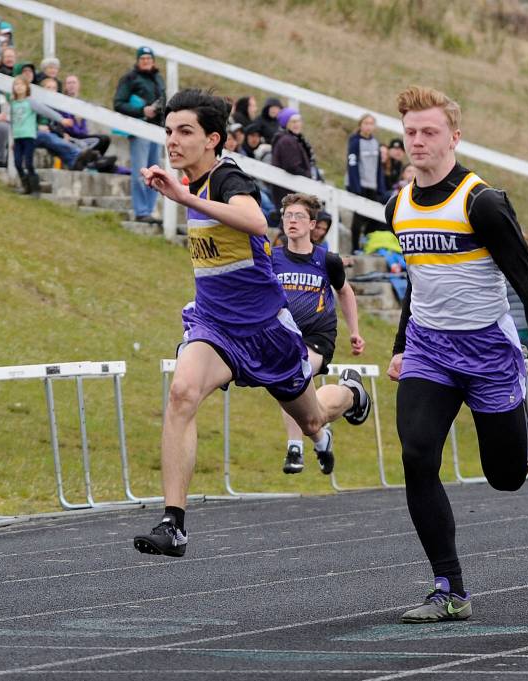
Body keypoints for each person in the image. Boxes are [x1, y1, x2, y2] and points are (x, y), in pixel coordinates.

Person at [131, 89, 371, 558]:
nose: (173, 141)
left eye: (185, 132)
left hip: (267, 332)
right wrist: (182, 193)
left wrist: (183, 197)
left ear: (212, 139)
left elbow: (255, 221)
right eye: (168, 132)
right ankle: (173, 524)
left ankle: (353, 392)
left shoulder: (227, 177)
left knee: (312, 419)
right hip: (215, 327)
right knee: (182, 394)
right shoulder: (190, 183)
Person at [385, 86, 528, 623]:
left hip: (488, 352)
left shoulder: (481, 202)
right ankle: (449, 587)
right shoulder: (396, 205)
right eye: (411, 133)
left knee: (506, 475)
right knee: (417, 455)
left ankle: (514, 421)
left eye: (429, 132)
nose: (418, 142)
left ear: (454, 137)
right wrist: (401, 347)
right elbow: (419, 284)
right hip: (429, 349)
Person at [272, 193, 366, 474]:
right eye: (288, 216)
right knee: (310, 414)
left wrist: (355, 331)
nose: (292, 221)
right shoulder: (271, 258)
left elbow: (345, 292)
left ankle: (294, 448)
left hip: (317, 337)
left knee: (293, 372)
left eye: (299, 216)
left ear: (313, 224)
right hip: (282, 337)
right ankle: (342, 407)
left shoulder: (327, 260)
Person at [114, 46, 165, 224]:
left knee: (156, 173)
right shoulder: (130, 78)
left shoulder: (158, 79)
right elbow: (118, 103)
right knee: (140, 171)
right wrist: (142, 110)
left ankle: (149, 210)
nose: (146, 61)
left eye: (148, 59)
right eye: (142, 58)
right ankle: (141, 210)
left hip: (156, 130)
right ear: (137, 60)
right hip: (139, 128)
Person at [346, 113, 388, 254]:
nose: (368, 126)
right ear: (360, 125)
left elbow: (378, 167)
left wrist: (380, 187)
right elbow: (352, 164)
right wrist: (355, 187)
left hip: (372, 185)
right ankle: (355, 247)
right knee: (358, 217)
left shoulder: (375, 143)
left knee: (374, 215)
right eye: (366, 123)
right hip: (358, 185)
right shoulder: (355, 141)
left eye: (371, 124)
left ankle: (367, 242)